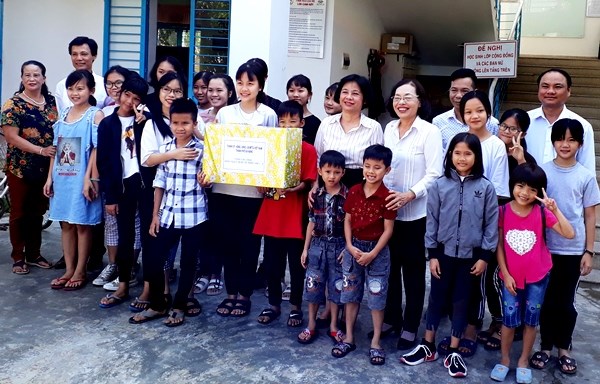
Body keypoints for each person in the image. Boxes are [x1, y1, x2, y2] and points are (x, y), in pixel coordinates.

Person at [401, 132, 498, 378]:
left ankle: (454, 350)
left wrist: (484, 256)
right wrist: (432, 253)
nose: (462, 158)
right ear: (449, 155)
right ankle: (428, 345)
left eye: (468, 153)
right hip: (442, 255)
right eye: (457, 153)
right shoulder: (439, 185)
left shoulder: (486, 188)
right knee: (436, 298)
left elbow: (491, 224)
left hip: (470, 257)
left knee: (461, 303)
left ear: (476, 156)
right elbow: (431, 221)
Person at [201, 62, 277, 318]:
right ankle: (230, 292)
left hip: (253, 193)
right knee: (227, 244)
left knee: (250, 245)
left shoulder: (268, 115)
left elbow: (273, 154)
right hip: (224, 190)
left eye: (250, 83)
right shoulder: (225, 114)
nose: (245, 88)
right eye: (241, 83)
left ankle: (244, 295)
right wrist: (208, 174)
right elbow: (216, 150)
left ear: (260, 85)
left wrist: (267, 180)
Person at [490, 163, 574, 383]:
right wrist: (506, 274)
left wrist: (554, 209)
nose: (525, 193)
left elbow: (569, 233)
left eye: (532, 189)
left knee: (530, 321)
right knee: (508, 321)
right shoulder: (503, 211)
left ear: (539, 193)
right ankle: (505, 359)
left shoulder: (543, 213)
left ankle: (523, 360)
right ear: (513, 185)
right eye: (520, 186)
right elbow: (498, 246)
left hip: (538, 277)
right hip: (510, 279)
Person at [131, 98, 208, 326]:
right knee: (154, 260)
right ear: (170, 123)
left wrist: (206, 182)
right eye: (175, 122)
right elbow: (159, 184)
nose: (180, 127)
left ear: (195, 123)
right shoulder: (165, 149)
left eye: (186, 122)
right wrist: (155, 215)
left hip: (195, 216)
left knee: (188, 262)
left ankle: (180, 305)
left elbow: (209, 181)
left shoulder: (203, 150)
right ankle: (158, 304)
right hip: (167, 215)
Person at [531, 118, 600, 375]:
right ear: (553, 142)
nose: (565, 144)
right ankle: (545, 346)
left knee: (566, 302)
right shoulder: (542, 172)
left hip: (572, 251)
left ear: (580, 144)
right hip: (545, 249)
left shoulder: (585, 176)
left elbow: (590, 216)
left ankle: (564, 347)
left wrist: (589, 251)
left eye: (572, 140)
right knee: (546, 301)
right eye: (561, 139)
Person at [381, 79, 443, 350]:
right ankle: (392, 317)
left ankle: (410, 325)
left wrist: (410, 194)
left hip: (417, 214)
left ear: (420, 101)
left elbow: (435, 173)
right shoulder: (388, 129)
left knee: (414, 273)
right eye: (397, 97)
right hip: (388, 213)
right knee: (389, 269)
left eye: (408, 97)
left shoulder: (429, 132)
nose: (401, 102)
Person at [253, 100, 317, 327]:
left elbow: (308, 182)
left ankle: (296, 308)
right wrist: (260, 186)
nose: (287, 126)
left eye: (293, 121)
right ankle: (273, 304)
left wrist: (293, 188)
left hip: (295, 214)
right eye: (283, 122)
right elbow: (260, 179)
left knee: (297, 263)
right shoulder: (270, 147)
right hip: (272, 212)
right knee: (271, 262)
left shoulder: (308, 149)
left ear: (301, 124)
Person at [331, 144, 396, 366]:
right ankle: (348, 337)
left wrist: (373, 253)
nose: (371, 171)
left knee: (377, 298)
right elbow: (347, 220)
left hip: (377, 251)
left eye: (377, 167)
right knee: (350, 295)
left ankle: (376, 342)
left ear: (387, 170)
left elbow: (388, 230)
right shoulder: (355, 191)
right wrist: (348, 245)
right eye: (367, 166)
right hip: (353, 249)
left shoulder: (387, 196)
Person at [44, 70, 104, 290]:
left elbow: (97, 150)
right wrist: (50, 178)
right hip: (62, 179)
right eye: (71, 88)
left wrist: (90, 179)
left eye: (80, 88)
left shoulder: (94, 115)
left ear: (91, 90)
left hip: (82, 180)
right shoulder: (64, 113)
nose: (74, 93)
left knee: (82, 226)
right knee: (66, 225)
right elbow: (57, 148)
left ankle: (80, 271)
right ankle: (69, 269)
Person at [96, 73, 150, 308]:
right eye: (127, 95)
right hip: (122, 185)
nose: (130, 102)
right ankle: (123, 284)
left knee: (150, 236)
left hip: (146, 184)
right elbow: (105, 163)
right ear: (120, 93)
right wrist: (110, 196)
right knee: (125, 237)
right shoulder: (108, 123)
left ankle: (150, 287)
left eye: (136, 98)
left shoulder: (146, 121)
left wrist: (144, 122)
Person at [1, 60, 58, 274]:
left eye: (36, 75)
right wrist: (40, 150)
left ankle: (34, 254)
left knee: (38, 212)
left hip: (46, 168)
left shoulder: (52, 102)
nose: (32, 79)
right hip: (20, 168)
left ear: (44, 78)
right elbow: (11, 137)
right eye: (27, 75)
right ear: (22, 78)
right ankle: (18, 256)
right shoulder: (13, 104)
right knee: (19, 212)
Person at [297, 150, 347, 344]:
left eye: (336, 172)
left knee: (336, 288)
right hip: (317, 246)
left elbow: (349, 225)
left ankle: (334, 326)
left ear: (343, 172)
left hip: (339, 247)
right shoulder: (315, 194)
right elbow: (311, 222)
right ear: (320, 171)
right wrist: (305, 248)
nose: (331, 176)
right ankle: (311, 324)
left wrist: (347, 248)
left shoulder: (347, 195)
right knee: (313, 286)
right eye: (327, 171)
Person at [313, 74, 384, 188]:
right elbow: (317, 157)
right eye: (345, 92)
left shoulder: (373, 127)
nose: (349, 97)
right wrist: (315, 184)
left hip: (359, 187)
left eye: (355, 93)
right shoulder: (326, 124)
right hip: (328, 186)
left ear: (364, 99)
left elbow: (378, 164)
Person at [526, 68, 595, 173]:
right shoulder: (525, 121)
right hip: (528, 187)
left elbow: (587, 168)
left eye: (558, 87)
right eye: (545, 86)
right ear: (538, 90)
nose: (550, 91)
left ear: (569, 91)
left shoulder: (583, 126)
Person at [432, 68, 499, 150]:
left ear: (475, 91)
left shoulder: (492, 124)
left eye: (465, 91)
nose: (458, 95)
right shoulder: (438, 122)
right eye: (454, 90)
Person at [55, 36, 107, 113]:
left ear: (94, 56)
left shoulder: (104, 85)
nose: (79, 58)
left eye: (84, 54)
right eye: (74, 54)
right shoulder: (61, 85)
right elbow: (60, 115)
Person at [497, 108, 537, 175]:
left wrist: (521, 160)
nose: (506, 131)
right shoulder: (491, 150)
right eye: (503, 126)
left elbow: (530, 182)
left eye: (513, 129)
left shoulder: (528, 160)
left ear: (522, 135)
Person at [286, 74, 321, 145]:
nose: (295, 95)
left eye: (300, 91)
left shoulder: (316, 123)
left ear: (309, 94)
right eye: (291, 90)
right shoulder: (280, 116)